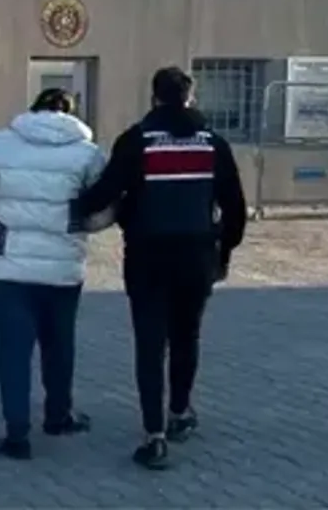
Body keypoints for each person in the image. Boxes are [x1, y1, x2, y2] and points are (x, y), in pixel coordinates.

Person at [71, 66, 248, 470]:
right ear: (190, 98)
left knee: (150, 343)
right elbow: (235, 208)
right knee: (187, 336)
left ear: (154, 98)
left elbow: (104, 193)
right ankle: (180, 412)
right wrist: (223, 252)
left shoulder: (137, 141)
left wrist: (70, 206)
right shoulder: (213, 144)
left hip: (147, 257)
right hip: (196, 256)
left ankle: (154, 435)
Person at [0, 88, 114, 461]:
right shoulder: (88, 153)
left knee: (13, 349)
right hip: (63, 265)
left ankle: (16, 434)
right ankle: (58, 416)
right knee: (59, 343)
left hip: (10, 265)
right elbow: (105, 205)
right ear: (70, 113)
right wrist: (81, 228)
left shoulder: (1, 144)